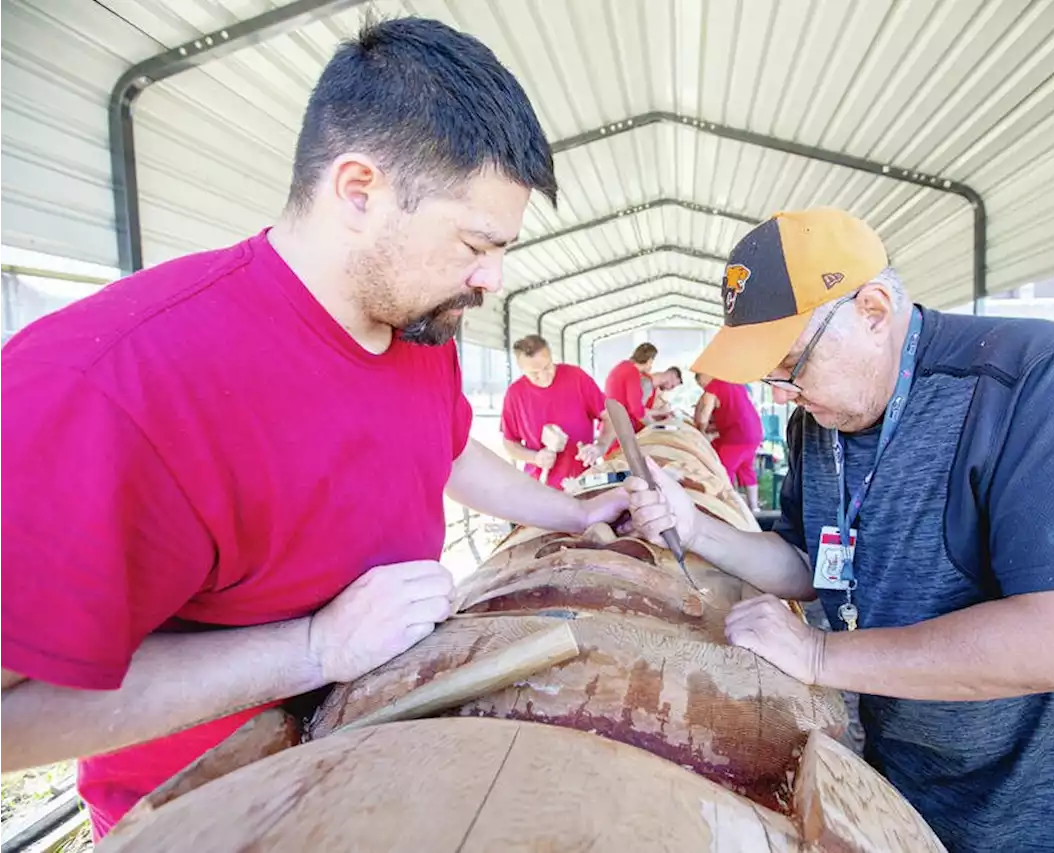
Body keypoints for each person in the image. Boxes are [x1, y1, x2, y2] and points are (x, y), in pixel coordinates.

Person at [0, 18, 627, 842]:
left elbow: (445, 450)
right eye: (477, 243)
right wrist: (313, 648)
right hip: (217, 813)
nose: (492, 279)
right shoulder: (111, 383)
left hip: (377, 760)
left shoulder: (417, 326)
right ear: (359, 189)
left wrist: (573, 513)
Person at [622, 208, 1054, 852]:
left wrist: (819, 656)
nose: (782, 395)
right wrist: (697, 529)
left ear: (874, 309)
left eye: (791, 364)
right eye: (769, 375)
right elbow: (813, 564)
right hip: (912, 790)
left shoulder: (1031, 377)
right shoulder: (819, 422)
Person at [501, 334, 616, 489]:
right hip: (540, 485)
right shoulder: (515, 394)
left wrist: (600, 446)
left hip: (583, 481)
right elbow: (509, 443)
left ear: (551, 357)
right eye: (534, 373)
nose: (543, 376)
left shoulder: (577, 378)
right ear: (522, 369)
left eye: (547, 366)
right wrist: (535, 458)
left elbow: (610, 417)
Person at [693, 372, 765, 512]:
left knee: (723, 470)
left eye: (700, 384)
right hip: (753, 432)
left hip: (736, 437)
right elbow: (733, 413)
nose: (702, 388)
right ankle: (754, 508)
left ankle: (728, 508)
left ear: (703, 376)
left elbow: (703, 416)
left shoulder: (713, 387)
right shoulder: (733, 381)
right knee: (746, 469)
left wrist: (700, 431)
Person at [603, 343, 681, 430]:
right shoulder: (633, 374)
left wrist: (660, 413)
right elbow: (637, 410)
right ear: (650, 360)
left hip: (612, 424)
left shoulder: (623, 366)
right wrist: (657, 427)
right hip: (619, 428)